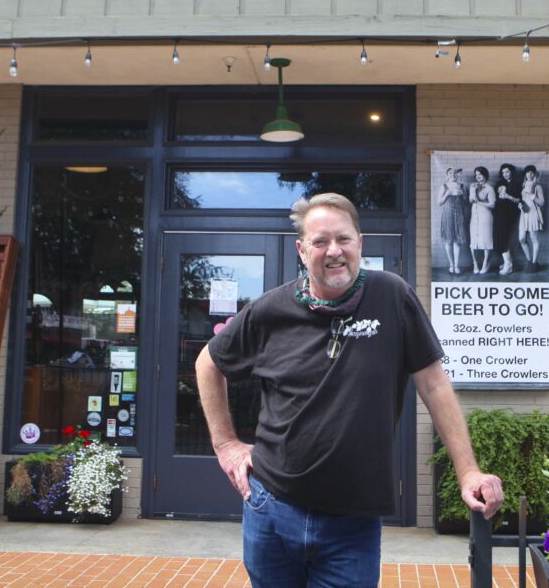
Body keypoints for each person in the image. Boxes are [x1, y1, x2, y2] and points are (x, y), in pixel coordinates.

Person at [196, 193, 503, 588]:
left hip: (352, 523)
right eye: (320, 241)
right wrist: (225, 445)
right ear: (302, 250)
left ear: (361, 243)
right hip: (271, 508)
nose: (333, 251)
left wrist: (468, 472)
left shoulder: (392, 296)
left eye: (343, 239)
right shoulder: (270, 310)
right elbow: (208, 362)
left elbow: (434, 384)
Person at [436, 166, 468, 274]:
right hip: (447, 215)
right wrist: (447, 194)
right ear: (447, 176)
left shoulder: (462, 186)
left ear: (457, 175)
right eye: (450, 174)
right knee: (448, 240)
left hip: (459, 215)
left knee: (457, 241)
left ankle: (456, 265)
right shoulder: (444, 186)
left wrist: (463, 195)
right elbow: (439, 202)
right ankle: (451, 264)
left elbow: (466, 201)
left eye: (455, 173)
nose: (453, 175)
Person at [493, 163, 521, 275]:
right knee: (500, 237)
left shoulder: (517, 184)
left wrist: (508, 196)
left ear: (512, 172)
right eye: (503, 172)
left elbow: (519, 200)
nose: (505, 174)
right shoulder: (500, 183)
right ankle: (507, 261)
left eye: (507, 172)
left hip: (511, 214)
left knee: (505, 238)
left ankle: (508, 265)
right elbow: (497, 197)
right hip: (499, 213)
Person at [467, 166, 495, 274]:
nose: (478, 177)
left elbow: (492, 205)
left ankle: (485, 263)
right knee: (474, 240)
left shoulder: (489, 188)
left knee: (486, 240)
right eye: (476, 175)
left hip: (486, 216)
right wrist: (473, 191)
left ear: (485, 175)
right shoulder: (472, 186)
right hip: (474, 215)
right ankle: (475, 263)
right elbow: (471, 200)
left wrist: (478, 201)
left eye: (480, 174)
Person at [518, 165, 546, 270]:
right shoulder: (523, 186)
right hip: (524, 214)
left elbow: (542, 203)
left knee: (534, 238)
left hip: (534, 213)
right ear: (525, 174)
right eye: (527, 172)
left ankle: (534, 263)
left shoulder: (537, 187)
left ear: (534, 174)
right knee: (521, 239)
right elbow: (523, 201)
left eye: (531, 172)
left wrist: (532, 195)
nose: (529, 174)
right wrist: (520, 205)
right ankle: (529, 260)